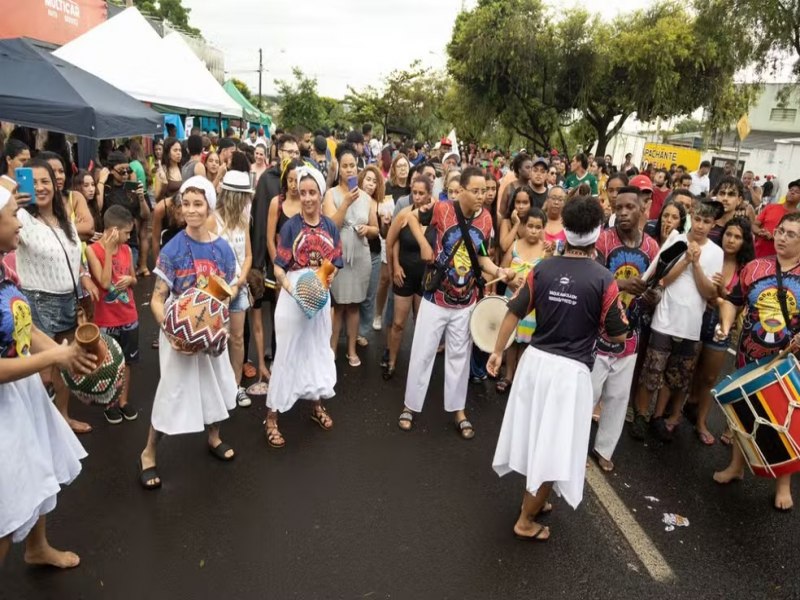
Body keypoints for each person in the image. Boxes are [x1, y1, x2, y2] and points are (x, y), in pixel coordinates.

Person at [489, 196, 628, 541]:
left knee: (536, 434)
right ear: (597, 232)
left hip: (534, 364)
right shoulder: (604, 278)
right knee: (553, 444)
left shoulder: (543, 268)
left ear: (563, 230)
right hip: (570, 374)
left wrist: (496, 352)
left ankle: (536, 498)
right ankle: (526, 520)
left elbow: (513, 310)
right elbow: (618, 331)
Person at [0, 186, 96, 570]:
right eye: (11, 215)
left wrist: (65, 354)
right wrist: (58, 354)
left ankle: (36, 547)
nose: (18, 223)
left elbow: (23, 328)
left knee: (40, 473)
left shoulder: (4, 266)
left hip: (21, 396)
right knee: (9, 506)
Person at [397, 167, 514, 438]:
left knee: (459, 358)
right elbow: (409, 218)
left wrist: (498, 272)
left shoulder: (486, 219)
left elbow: (481, 257)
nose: (482, 196)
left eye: (484, 191)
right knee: (423, 352)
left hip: (466, 301)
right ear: (460, 190)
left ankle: (458, 410)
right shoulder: (441, 209)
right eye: (475, 191)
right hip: (435, 297)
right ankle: (410, 406)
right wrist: (424, 244)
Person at [138, 176, 239, 490]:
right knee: (172, 394)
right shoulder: (173, 248)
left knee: (219, 387)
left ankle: (213, 436)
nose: (192, 210)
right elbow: (157, 298)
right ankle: (148, 452)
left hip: (210, 333)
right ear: (179, 207)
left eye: (199, 203)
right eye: (186, 204)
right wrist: (172, 332)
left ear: (210, 205)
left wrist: (216, 320)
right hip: (178, 335)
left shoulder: (222, 249)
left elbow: (227, 290)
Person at [713, 212, 800, 511]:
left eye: (791, 234)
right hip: (749, 354)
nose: (782, 238)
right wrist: (725, 325)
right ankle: (736, 466)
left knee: (784, 419)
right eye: (780, 231)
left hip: (789, 363)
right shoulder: (754, 267)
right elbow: (733, 301)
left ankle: (783, 484)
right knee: (742, 415)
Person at [16, 159, 98, 435]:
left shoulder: (65, 220)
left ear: (55, 184)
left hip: (69, 299)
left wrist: (83, 286)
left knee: (64, 367)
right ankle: (36, 429)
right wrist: (13, 191)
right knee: (42, 373)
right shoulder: (21, 219)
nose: (40, 187)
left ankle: (62, 420)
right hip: (38, 302)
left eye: (45, 181)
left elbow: (75, 258)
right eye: (33, 181)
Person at [631, 200, 724, 441]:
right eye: (698, 219)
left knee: (676, 377)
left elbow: (709, 292)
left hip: (692, 326)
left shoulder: (716, 252)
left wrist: (696, 265)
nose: (701, 226)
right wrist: (685, 259)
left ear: (713, 224)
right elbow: (663, 278)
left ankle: (658, 417)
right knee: (652, 372)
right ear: (691, 217)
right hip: (664, 320)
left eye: (707, 221)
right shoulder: (676, 240)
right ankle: (641, 416)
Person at [264, 167, 343, 448]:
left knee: (317, 349)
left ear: (321, 195)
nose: (307, 197)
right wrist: (292, 288)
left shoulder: (330, 227)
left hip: (320, 295)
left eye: (313, 192)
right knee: (287, 354)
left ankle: (315, 405)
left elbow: (335, 261)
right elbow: (278, 266)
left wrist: (327, 278)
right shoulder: (291, 227)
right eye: (303, 192)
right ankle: (272, 416)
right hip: (293, 294)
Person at [590, 188, 660, 472]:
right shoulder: (603, 241)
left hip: (631, 331)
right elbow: (593, 279)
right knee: (588, 392)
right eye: (618, 207)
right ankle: (573, 445)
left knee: (618, 397)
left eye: (630, 207)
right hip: (598, 332)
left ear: (643, 209)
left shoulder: (652, 248)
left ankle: (604, 448)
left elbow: (654, 285)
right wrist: (620, 285)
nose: (623, 213)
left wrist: (652, 297)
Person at [683, 217, 754, 445]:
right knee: (688, 367)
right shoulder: (709, 252)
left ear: (745, 242)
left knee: (710, 376)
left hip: (720, 325)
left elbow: (741, 304)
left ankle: (701, 422)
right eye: (729, 234)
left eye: (737, 237)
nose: (731, 240)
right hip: (697, 315)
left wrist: (723, 292)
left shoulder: (745, 270)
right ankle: (679, 410)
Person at [322, 145, 379, 366]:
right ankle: (332, 348)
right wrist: (345, 203)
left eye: (352, 166)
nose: (349, 170)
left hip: (361, 256)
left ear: (358, 167)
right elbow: (331, 225)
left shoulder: (366, 197)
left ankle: (352, 350)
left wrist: (368, 230)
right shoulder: (331, 194)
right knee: (338, 306)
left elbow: (376, 230)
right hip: (338, 256)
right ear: (339, 169)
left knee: (354, 305)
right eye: (344, 166)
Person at [85, 206, 140, 424]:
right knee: (108, 363)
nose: (129, 236)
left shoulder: (126, 250)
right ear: (114, 231)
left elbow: (134, 278)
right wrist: (108, 251)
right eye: (126, 232)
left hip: (128, 315)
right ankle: (110, 402)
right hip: (106, 318)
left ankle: (123, 401)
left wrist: (131, 281)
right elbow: (105, 283)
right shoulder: (93, 250)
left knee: (128, 362)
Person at [208, 171, 255, 409]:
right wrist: (225, 287)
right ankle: (219, 386)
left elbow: (247, 255)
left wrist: (240, 281)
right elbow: (206, 259)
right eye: (244, 196)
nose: (248, 200)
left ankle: (236, 386)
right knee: (218, 340)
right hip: (217, 293)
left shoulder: (243, 220)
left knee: (237, 338)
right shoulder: (212, 220)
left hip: (238, 288)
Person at [382, 174, 432, 379]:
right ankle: (392, 362)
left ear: (430, 195)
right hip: (404, 275)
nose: (417, 197)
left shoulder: (436, 217)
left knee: (421, 325)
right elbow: (390, 241)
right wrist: (395, 267)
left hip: (425, 277)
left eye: (422, 193)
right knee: (398, 323)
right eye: (415, 192)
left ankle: (418, 367)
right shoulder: (404, 214)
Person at [495, 207, 550, 393]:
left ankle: (521, 377)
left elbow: (550, 279)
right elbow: (502, 270)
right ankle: (508, 375)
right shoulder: (515, 246)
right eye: (530, 226)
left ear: (543, 228)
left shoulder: (546, 251)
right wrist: (511, 281)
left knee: (527, 343)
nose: (534, 230)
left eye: (538, 227)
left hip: (534, 308)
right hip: (513, 300)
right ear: (524, 226)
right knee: (513, 340)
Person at [356, 165, 386, 346]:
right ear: (361, 180)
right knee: (351, 296)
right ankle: (348, 331)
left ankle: (362, 331)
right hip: (355, 254)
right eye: (368, 179)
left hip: (374, 253)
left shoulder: (380, 204)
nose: (371, 184)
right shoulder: (352, 199)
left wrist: (385, 222)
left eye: (375, 181)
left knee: (368, 296)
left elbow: (382, 232)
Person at [753, 179, 800, 258]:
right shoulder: (770, 207)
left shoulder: (798, 217)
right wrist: (759, 231)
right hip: (757, 254)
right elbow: (754, 225)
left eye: (797, 192)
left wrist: (773, 237)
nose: (792, 192)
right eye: (791, 190)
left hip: (780, 260)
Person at [498, 153, 533, 221]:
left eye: (531, 167)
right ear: (519, 169)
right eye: (527, 167)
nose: (530, 170)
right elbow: (501, 213)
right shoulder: (509, 188)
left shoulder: (533, 188)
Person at [498, 186, 533, 254]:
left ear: (531, 204)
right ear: (513, 204)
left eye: (525, 203)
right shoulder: (506, 222)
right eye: (518, 202)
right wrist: (516, 224)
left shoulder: (533, 223)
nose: (521, 206)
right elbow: (504, 247)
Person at [73, 169, 102, 239]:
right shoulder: (72, 207)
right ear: (77, 187)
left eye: (93, 185)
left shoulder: (93, 206)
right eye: (86, 185)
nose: (91, 189)